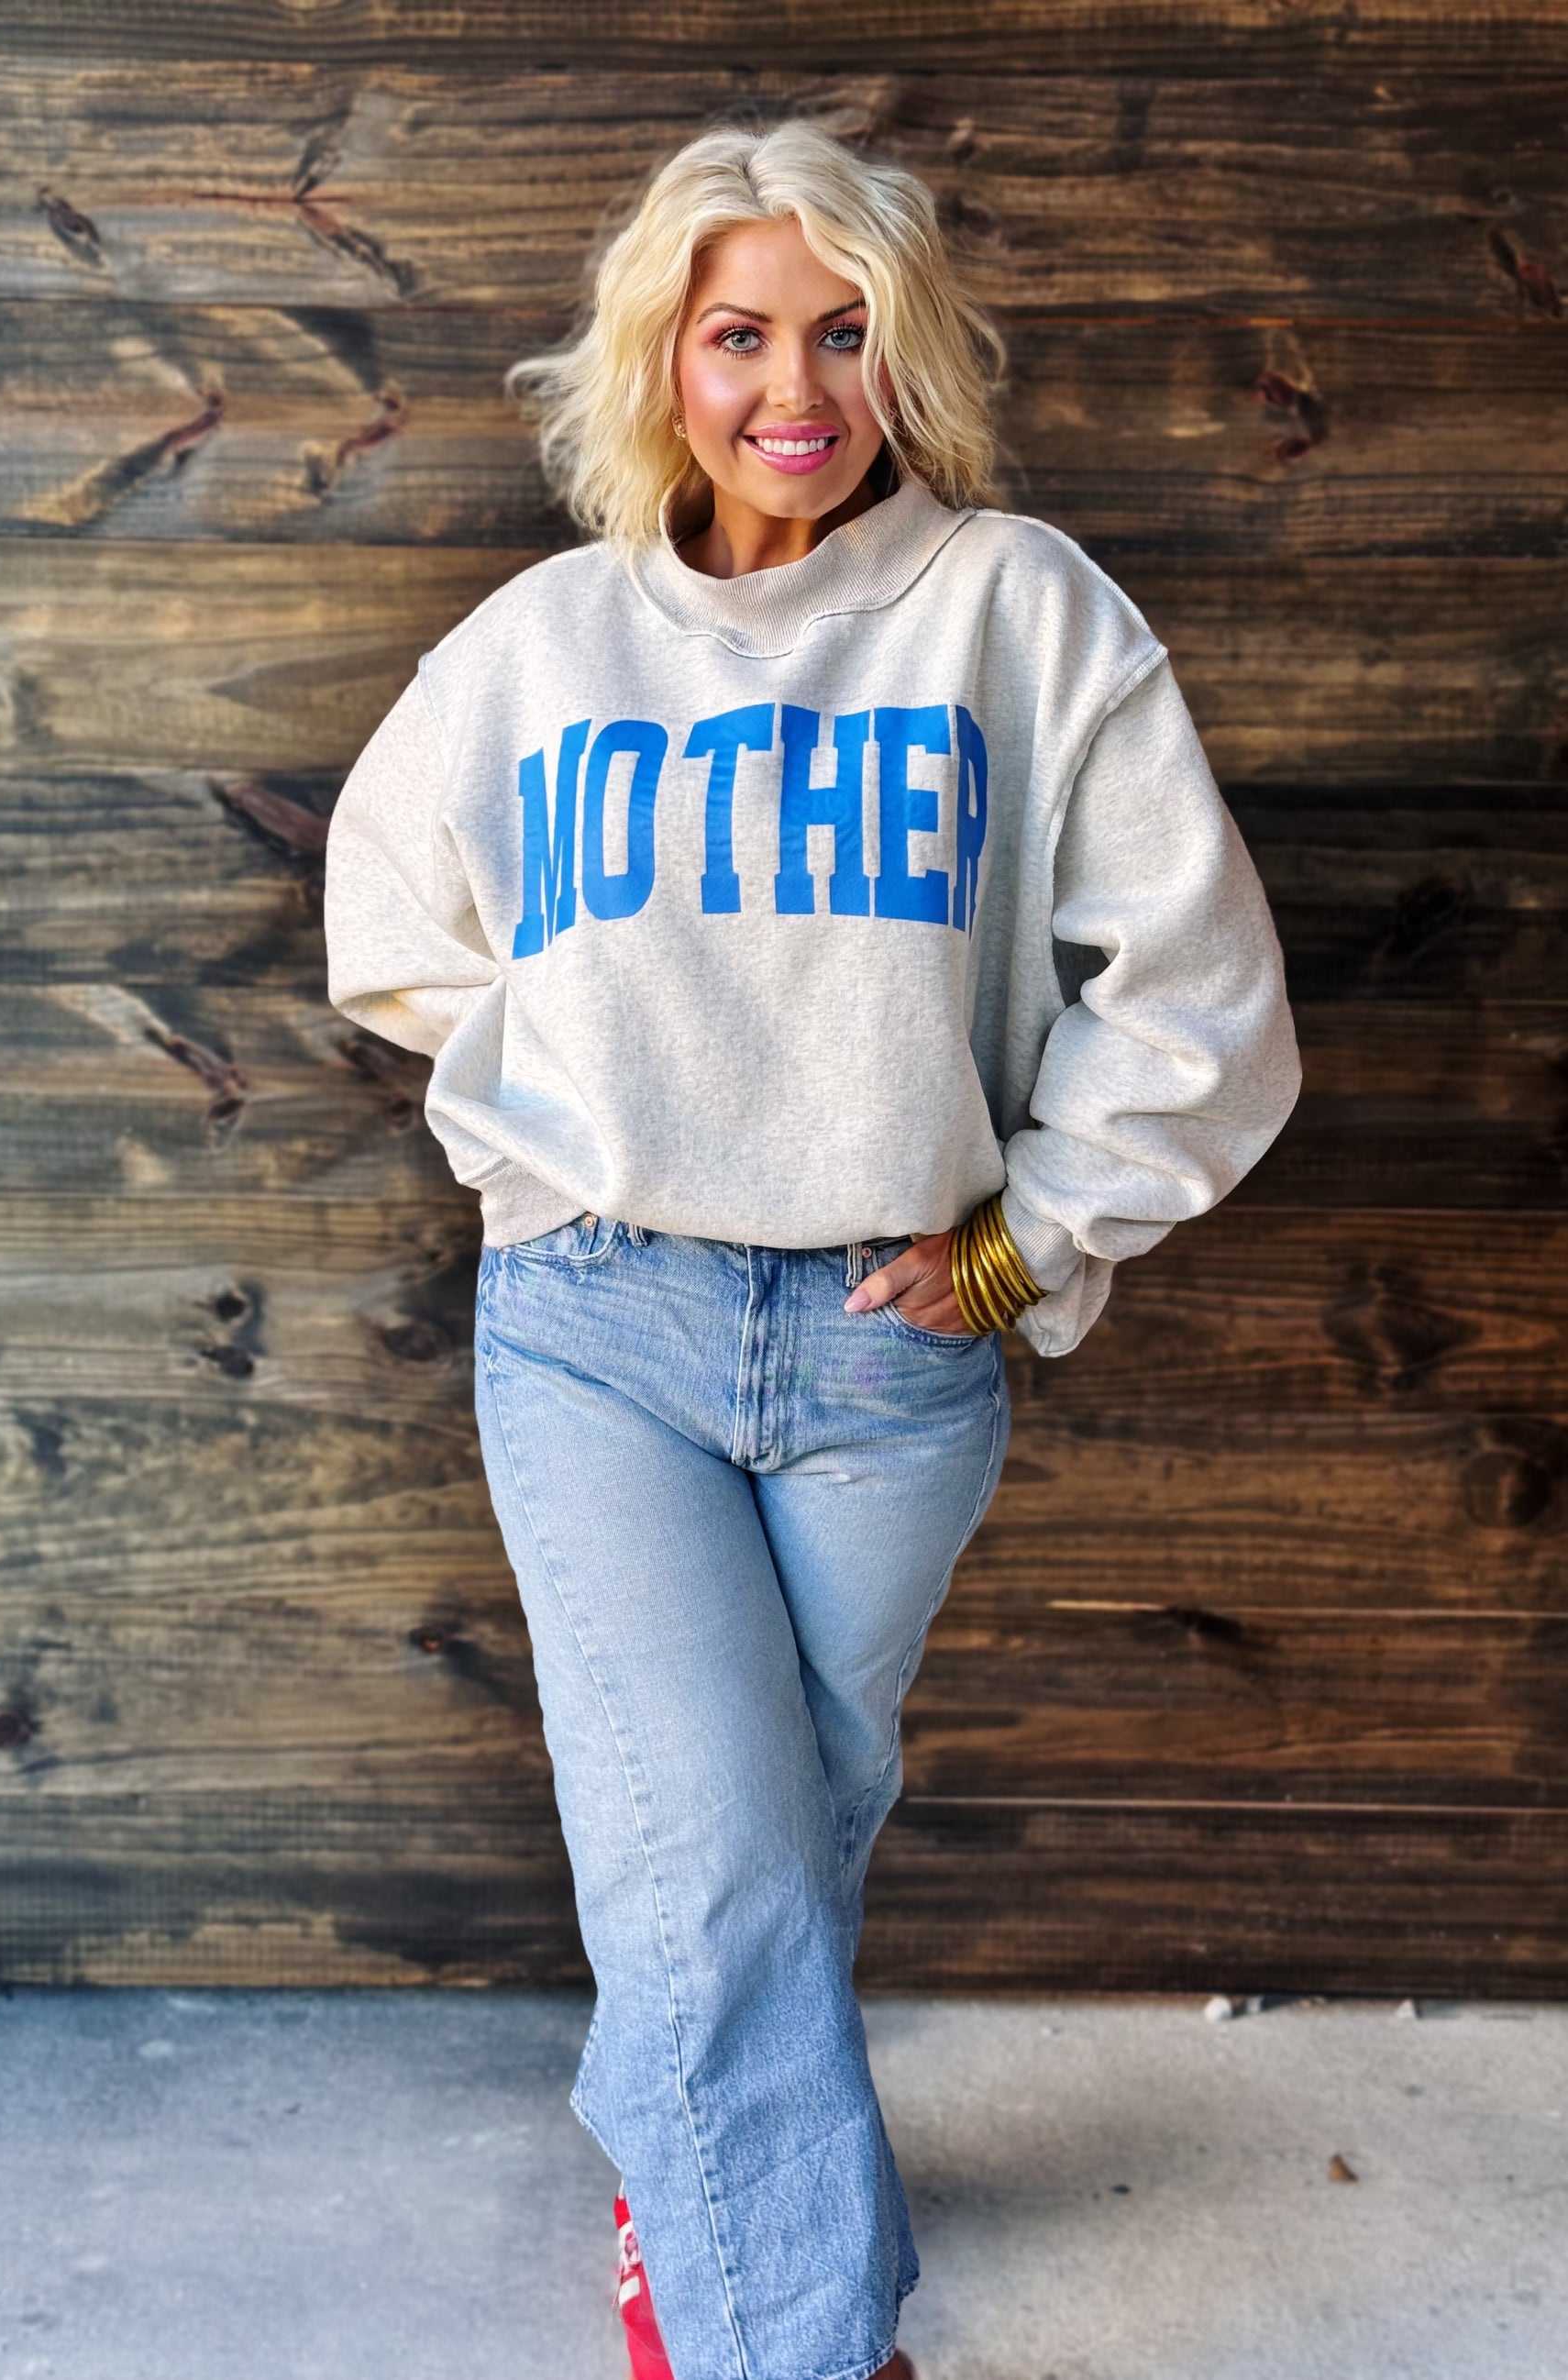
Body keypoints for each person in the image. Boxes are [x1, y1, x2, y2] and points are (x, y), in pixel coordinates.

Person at [323, 116, 1300, 2380]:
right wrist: (542, 1145)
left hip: (889, 1345)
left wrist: (1027, 1237)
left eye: (844, 331)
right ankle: (797, 2327)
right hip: (601, 1328)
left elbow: (1206, 1001)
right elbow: (390, 910)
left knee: (777, 1836)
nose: (793, 384)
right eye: (740, 329)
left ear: (903, 351)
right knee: (725, 1866)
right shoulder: (548, 644)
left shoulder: (1017, 612)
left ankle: (685, 2159)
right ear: (662, 352)